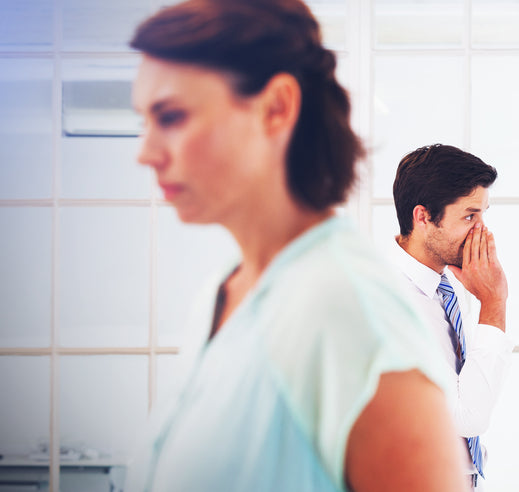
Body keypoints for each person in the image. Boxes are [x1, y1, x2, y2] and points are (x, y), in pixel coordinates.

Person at [124, 1, 466, 491]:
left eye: (172, 116)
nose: (145, 152)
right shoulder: (223, 293)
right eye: (145, 119)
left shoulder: (350, 310)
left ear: (276, 108)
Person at [389, 144, 514, 489]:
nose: (482, 232)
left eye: (484, 215)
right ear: (423, 217)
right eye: (469, 216)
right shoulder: (394, 301)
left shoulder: (440, 286)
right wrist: (494, 302)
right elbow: (467, 417)